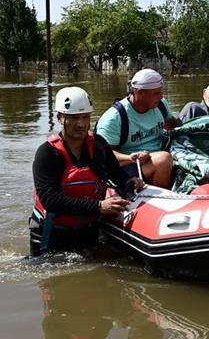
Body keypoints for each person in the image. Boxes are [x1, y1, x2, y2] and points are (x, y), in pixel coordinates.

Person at [30, 87, 144, 256]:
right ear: (60, 118)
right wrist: (99, 206)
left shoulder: (98, 145)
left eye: (85, 117)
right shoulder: (47, 153)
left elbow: (118, 175)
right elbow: (50, 199)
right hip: (52, 234)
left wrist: (131, 184)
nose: (82, 124)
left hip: (88, 229)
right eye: (75, 118)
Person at [95, 68, 176, 189]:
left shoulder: (161, 104)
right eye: (156, 93)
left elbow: (173, 127)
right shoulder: (114, 118)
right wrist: (131, 158)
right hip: (129, 167)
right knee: (163, 160)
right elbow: (103, 156)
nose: (161, 96)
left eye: (161, 92)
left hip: (157, 156)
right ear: (140, 92)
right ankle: (161, 198)